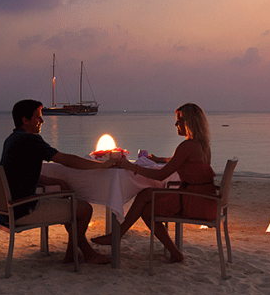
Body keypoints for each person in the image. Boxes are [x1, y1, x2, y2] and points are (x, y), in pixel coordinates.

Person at [91, 103, 216, 263]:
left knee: (146, 201)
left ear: (190, 122)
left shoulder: (186, 146)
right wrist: (160, 159)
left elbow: (161, 175)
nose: (176, 124)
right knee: (146, 199)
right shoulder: (203, 146)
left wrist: (132, 167)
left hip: (192, 203)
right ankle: (172, 252)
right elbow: (186, 161)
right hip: (205, 200)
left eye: (180, 120)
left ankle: (118, 235)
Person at [0, 99, 115, 265]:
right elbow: (65, 159)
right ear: (25, 120)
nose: (42, 120)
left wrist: (54, 181)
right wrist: (102, 165)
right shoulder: (31, 140)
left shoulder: (11, 140)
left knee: (69, 202)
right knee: (84, 209)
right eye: (38, 117)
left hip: (5, 210)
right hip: (23, 210)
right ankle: (80, 255)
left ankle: (76, 254)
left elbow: (19, 174)